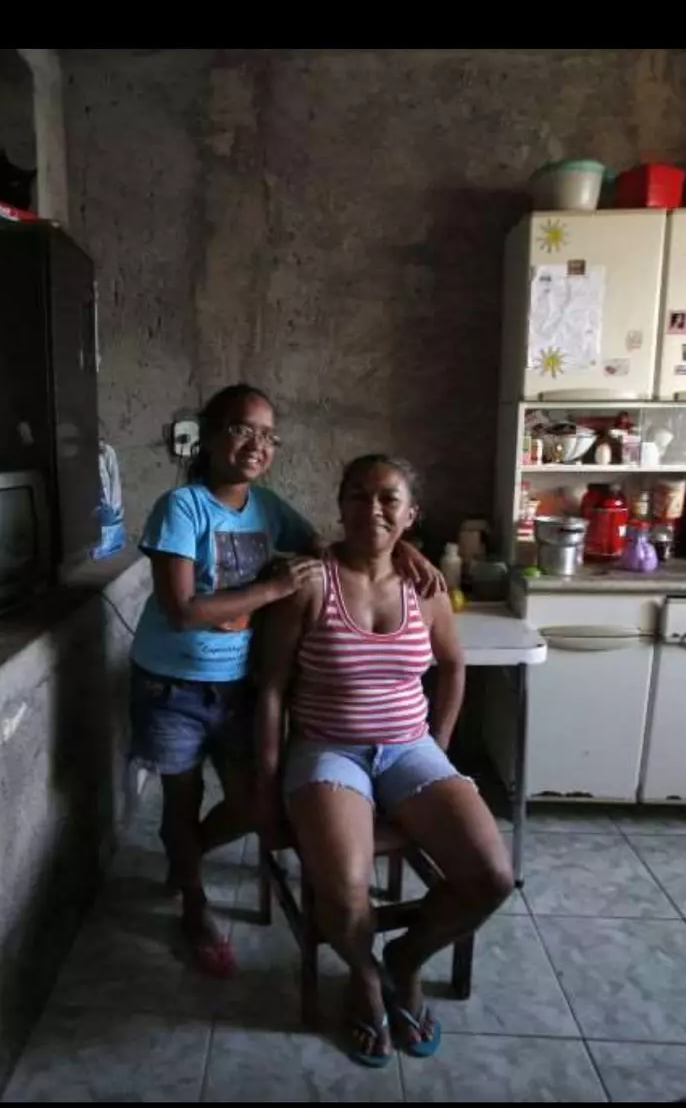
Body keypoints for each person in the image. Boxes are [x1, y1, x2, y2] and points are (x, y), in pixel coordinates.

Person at [129, 387, 442, 977]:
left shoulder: (267, 508)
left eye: (268, 435)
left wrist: (407, 555)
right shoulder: (182, 508)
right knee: (182, 796)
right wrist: (271, 590)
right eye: (243, 430)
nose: (257, 445)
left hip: (238, 684)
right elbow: (181, 609)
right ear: (210, 435)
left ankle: (185, 853)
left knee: (253, 803)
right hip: (171, 686)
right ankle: (194, 903)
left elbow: (328, 547)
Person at [254, 453, 514, 1065]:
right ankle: (367, 977)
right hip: (328, 751)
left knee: (491, 878)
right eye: (357, 495)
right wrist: (266, 787)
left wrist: (438, 749)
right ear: (340, 505)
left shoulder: (427, 588)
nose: (372, 508)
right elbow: (268, 690)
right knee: (345, 894)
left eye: (388, 498)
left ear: (410, 514)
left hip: (410, 751)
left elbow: (452, 666)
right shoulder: (310, 583)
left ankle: (406, 958)